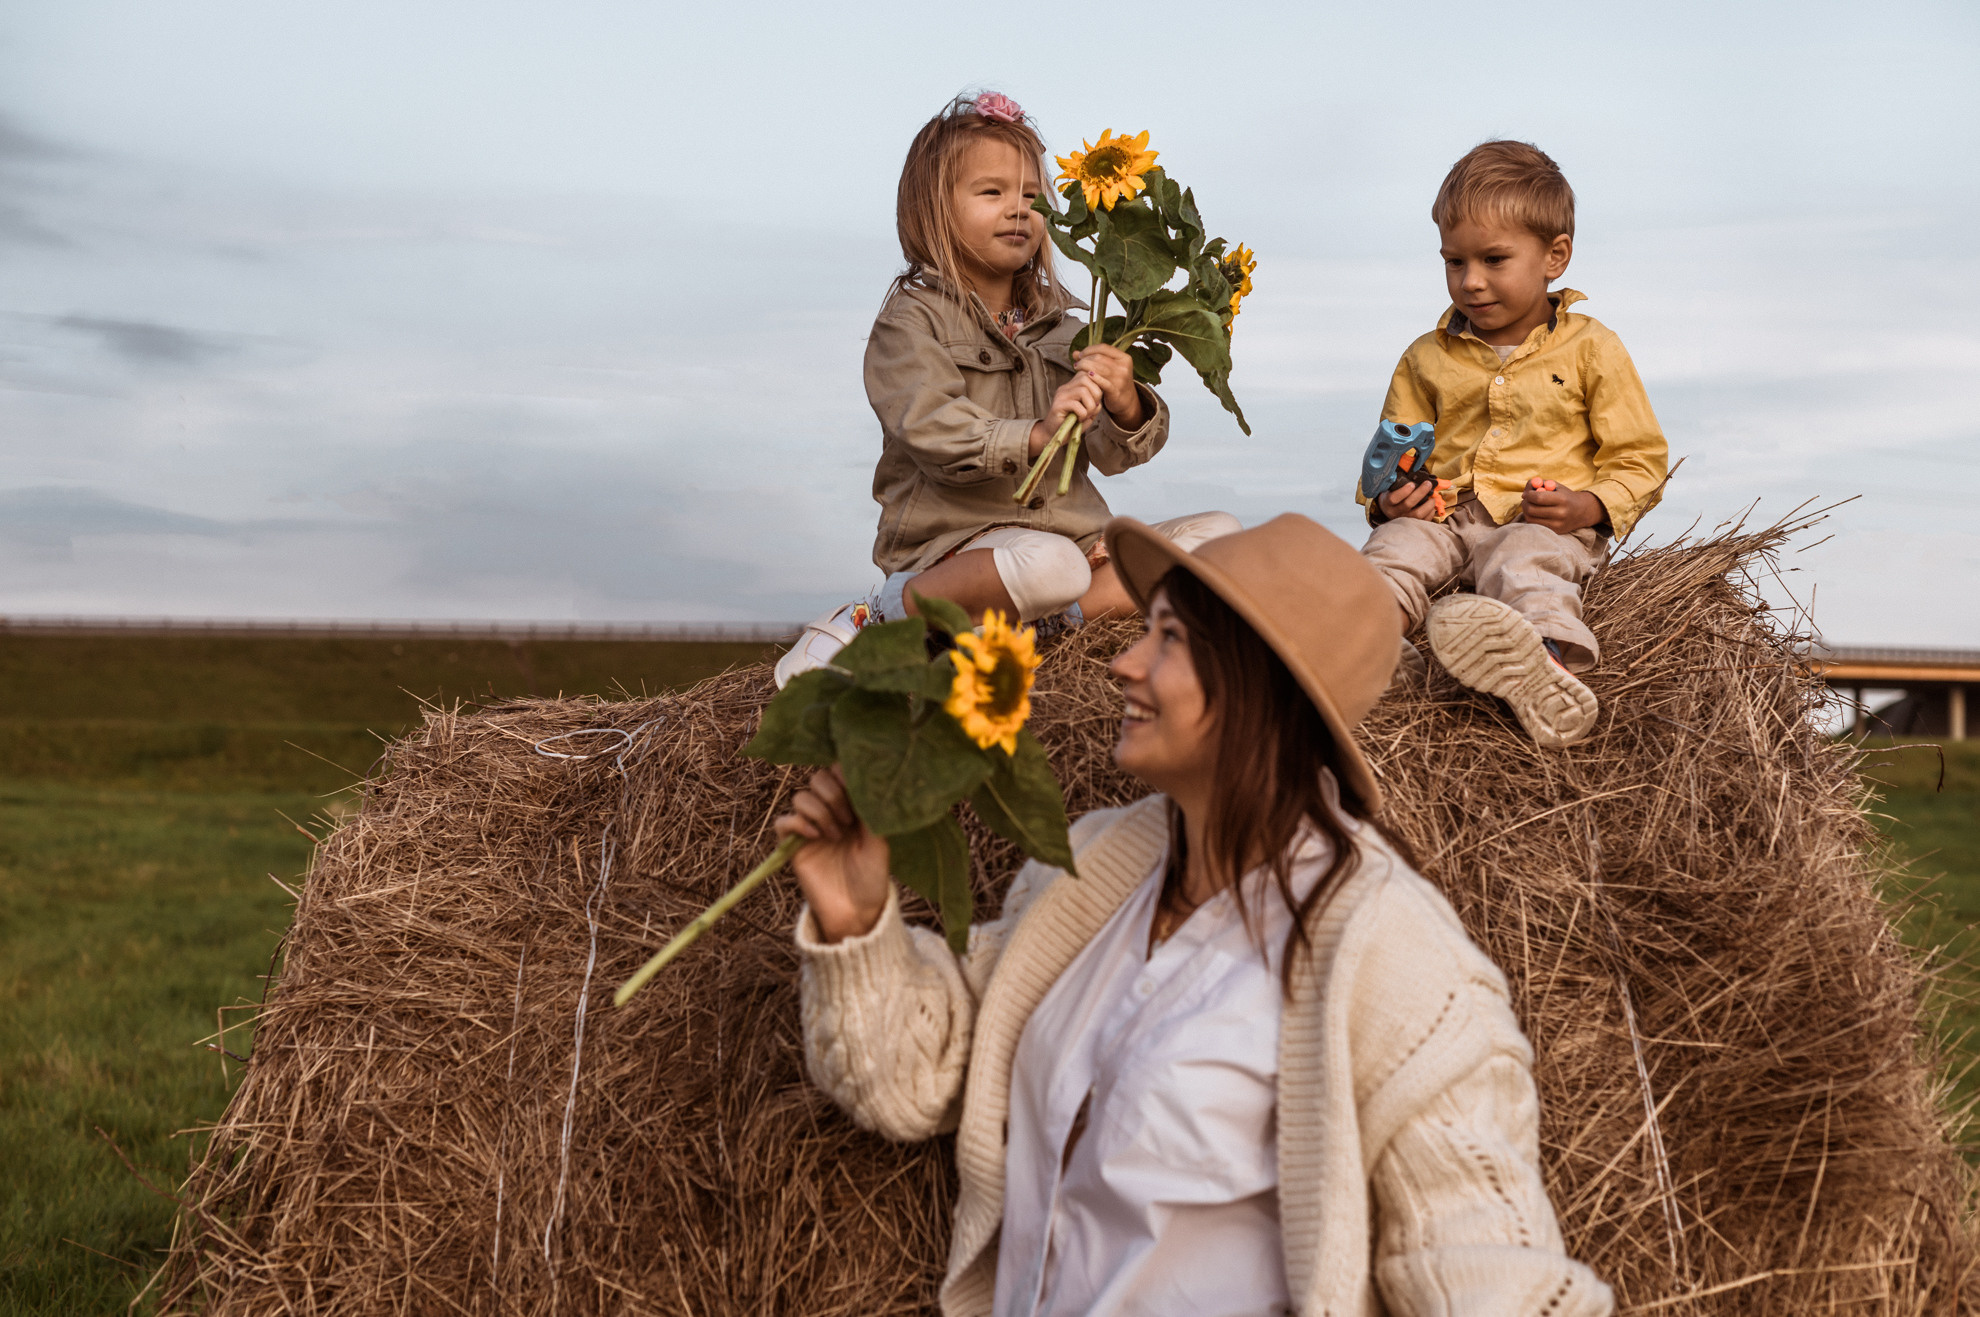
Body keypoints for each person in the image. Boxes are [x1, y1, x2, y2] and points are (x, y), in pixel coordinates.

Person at [778, 513, 1613, 1317]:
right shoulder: (1091, 873)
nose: (1122, 664)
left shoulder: (1395, 956)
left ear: (1259, 681)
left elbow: (1489, 1267)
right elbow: (921, 1078)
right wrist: (855, 920)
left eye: (1167, 639)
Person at [775, 92, 1237, 688]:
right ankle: (885, 616)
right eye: (992, 193)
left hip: (1077, 544)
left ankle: (1047, 627)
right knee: (1051, 565)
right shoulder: (912, 322)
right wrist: (1038, 433)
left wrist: (1126, 403)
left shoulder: (1072, 328)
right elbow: (933, 430)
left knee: (1219, 537)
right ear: (935, 210)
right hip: (962, 549)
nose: (1018, 211)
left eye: (1030, 196)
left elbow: (1114, 455)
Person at [1361, 140, 1668, 747]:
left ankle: (1545, 665)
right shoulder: (1425, 357)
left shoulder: (1591, 348)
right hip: (1446, 515)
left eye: (1494, 260)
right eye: (1454, 262)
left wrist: (1588, 507)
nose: (1470, 282)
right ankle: (1370, 649)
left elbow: (1640, 459)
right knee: (1394, 549)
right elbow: (1391, 454)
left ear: (1555, 256)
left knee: (1524, 560)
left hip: (1543, 521)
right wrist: (1391, 501)